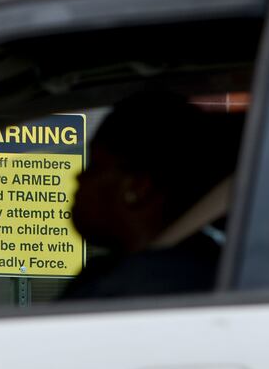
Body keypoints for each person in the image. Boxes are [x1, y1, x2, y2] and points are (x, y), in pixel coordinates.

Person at [62, 91, 244, 299]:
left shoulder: (137, 288)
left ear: (139, 188)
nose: (79, 176)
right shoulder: (211, 270)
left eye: (95, 166)